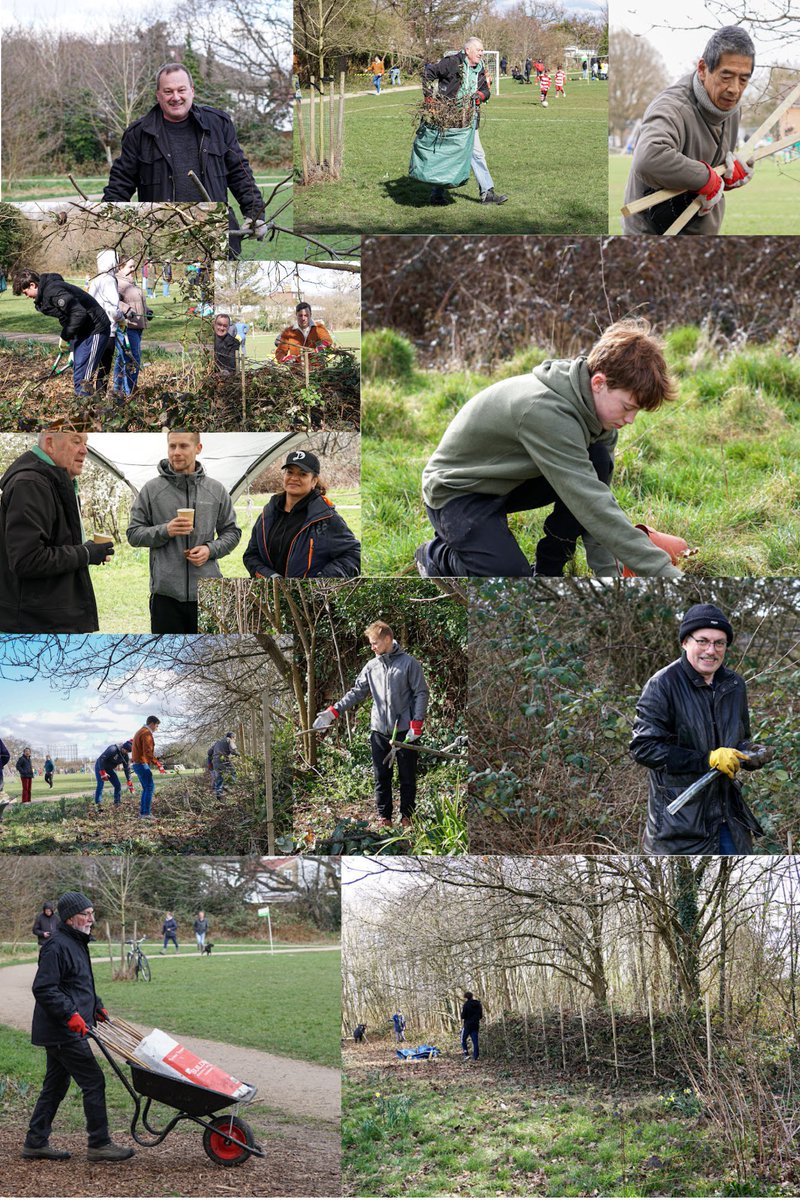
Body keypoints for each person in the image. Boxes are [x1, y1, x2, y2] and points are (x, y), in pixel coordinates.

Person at [415, 319, 684, 579]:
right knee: (510, 582)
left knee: (597, 461)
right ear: (599, 383)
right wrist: (667, 575)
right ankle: (436, 555)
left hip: (509, 480)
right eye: (627, 407)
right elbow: (592, 504)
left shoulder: (599, 417)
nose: (630, 420)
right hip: (457, 491)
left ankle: (548, 570)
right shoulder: (547, 411)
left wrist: (610, 578)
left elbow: (597, 503)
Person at [630, 604, 765, 855]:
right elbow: (643, 748)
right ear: (685, 642)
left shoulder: (734, 685)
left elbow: (741, 739)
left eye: (719, 643)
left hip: (729, 817)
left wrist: (752, 753)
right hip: (680, 823)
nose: (711, 651)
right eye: (702, 641)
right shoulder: (662, 685)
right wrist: (708, 759)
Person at [103, 63, 267, 257]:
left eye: (181, 90)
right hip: (165, 235)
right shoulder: (139, 134)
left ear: (192, 91)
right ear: (158, 95)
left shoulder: (217, 124)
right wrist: (107, 223)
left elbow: (240, 172)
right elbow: (120, 184)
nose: (176, 97)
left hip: (216, 232)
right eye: (168, 91)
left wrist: (255, 213)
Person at [23, 891, 134, 1162]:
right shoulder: (56, 946)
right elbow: (44, 988)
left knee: (55, 1085)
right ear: (72, 917)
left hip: (67, 1028)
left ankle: (35, 1141)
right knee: (94, 1080)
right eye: (87, 914)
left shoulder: (76, 942)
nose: (92, 919)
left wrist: (97, 1006)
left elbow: (78, 984)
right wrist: (71, 1015)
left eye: (92, 914)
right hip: (62, 1030)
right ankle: (99, 1143)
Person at [622, 26, 755, 235]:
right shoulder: (672, 107)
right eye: (726, 76)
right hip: (652, 235)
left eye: (743, 79)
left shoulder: (731, 108)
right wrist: (706, 178)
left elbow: (713, 171)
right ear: (702, 69)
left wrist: (729, 174)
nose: (734, 89)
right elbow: (649, 157)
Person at [313, 621, 429, 827]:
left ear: (387, 639)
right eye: (371, 644)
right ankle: (384, 818)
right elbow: (357, 692)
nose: (372, 647)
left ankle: (407, 817)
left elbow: (421, 692)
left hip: (404, 731)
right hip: (379, 731)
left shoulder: (409, 664)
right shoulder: (371, 666)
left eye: (374, 643)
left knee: (407, 777)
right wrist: (334, 711)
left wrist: (417, 722)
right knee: (381, 776)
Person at [126, 431, 242, 634]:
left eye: (183, 446)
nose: (176, 452)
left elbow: (232, 532)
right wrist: (165, 530)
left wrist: (210, 549)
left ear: (198, 448)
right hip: (165, 594)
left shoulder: (216, 489)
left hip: (208, 592)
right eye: (172, 446)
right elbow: (134, 534)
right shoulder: (152, 490)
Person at [0, 431, 113, 634]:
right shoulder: (32, 484)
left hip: (48, 613)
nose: (84, 450)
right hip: (35, 620)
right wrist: (86, 554)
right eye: (76, 441)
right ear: (50, 444)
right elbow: (28, 559)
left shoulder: (56, 481)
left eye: (86, 443)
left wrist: (87, 551)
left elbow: (53, 544)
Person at [242, 449, 361, 579]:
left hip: (306, 595)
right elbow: (251, 555)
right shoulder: (268, 514)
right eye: (290, 472)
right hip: (271, 593)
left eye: (302, 474)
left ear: (314, 481)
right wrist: (270, 577)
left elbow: (354, 554)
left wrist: (321, 580)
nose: (294, 478)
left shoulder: (326, 518)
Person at [423, 38, 508, 206]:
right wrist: (429, 100)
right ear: (468, 50)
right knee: (447, 154)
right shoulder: (452, 63)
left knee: (477, 154)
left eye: (482, 50)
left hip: (470, 119)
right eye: (479, 50)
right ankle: (437, 194)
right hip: (449, 117)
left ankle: (487, 193)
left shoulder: (480, 67)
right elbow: (427, 74)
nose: (481, 53)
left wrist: (481, 96)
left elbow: (485, 89)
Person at [12, 270, 111, 396]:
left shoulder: (52, 291)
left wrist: (64, 336)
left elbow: (79, 313)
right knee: (79, 374)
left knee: (83, 379)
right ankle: (88, 409)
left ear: (32, 285)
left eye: (25, 292)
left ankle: (88, 412)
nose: (27, 296)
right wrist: (72, 346)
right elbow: (67, 318)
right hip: (83, 331)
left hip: (95, 329)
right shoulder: (45, 296)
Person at [87, 250, 128, 395]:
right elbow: (113, 309)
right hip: (107, 331)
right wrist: (122, 320)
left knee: (90, 368)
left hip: (92, 330)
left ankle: (87, 399)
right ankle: (98, 401)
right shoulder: (109, 280)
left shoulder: (96, 280)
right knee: (103, 369)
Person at [114, 258, 149, 396]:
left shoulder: (130, 282)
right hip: (127, 327)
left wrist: (147, 311)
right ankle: (130, 391)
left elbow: (136, 302)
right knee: (133, 359)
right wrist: (126, 309)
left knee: (123, 359)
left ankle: (119, 391)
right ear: (121, 267)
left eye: (134, 266)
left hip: (137, 326)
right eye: (130, 266)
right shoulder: (117, 282)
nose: (133, 269)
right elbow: (113, 301)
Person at [131, 716, 164, 818]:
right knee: (149, 787)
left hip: (137, 764)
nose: (156, 729)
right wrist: (157, 763)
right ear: (152, 724)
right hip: (141, 764)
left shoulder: (140, 731)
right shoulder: (146, 733)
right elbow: (147, 752)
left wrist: (154, 759)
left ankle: (143, 813)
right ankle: (145, 813)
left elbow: (144, 751)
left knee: (146, 788)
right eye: (157, 726)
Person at [93, 741, 134, 810]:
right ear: (123, 747)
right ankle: (98, 804)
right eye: (126, 750)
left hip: (109, 769)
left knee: (118, 785)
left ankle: (117, 802)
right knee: (100, 784)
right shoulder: (113, 749)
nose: (126, 752)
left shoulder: (125, 757)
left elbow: (126, 769)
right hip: (100, 766)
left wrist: (129, 781)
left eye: (128, 752)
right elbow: (101, 759)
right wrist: (102, 772)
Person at [209, 732, 237, 796]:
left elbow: (209, 752)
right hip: (224, 760)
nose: (235, 740)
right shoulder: (229, 740)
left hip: (215, 762)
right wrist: (238, 755)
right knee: (233, 772)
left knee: (219, 777)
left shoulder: (217, 742)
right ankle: (227, 785)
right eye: (235, 738)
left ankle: (218, 793)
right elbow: (233, 751)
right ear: (232, 737)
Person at [461, 991, 483, 1061]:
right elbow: (480, 1016)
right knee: (475, 1041)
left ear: (466, 997)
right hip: (475, 1025)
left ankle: (466, 1054)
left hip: (467, 1025)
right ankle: (475, 1056)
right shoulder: (478, 1004)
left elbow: (463, 1016)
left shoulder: (466, 1005)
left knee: (463, 1039)